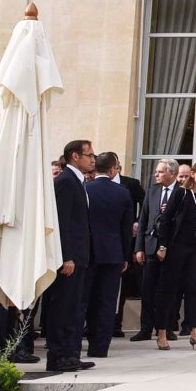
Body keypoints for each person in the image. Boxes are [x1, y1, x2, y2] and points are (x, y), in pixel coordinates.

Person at [46, 139, 94, 373]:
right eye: (89, 155)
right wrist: (66, 256)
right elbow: (62, 222)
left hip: (80, 254)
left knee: (74, 307)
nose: (93, 160)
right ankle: (58, 355)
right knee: (63, 307)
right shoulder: (65, 181)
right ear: (75, 156)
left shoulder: (78, 181)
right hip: (69, 257)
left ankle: (71, 353)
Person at [155, 162, 196, 348]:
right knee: (168, 289)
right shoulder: (181, 193)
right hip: (177, 246)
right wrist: (163, 246)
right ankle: (162, 331)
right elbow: (165, 220)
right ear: (193, 173)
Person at [82, 152, 133, 357]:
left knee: (84, 298)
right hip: (113, 253)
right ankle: (99, 347)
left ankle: (77, 342)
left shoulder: (85, 188)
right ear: (112, 169)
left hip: (88, 252)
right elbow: (126, 228)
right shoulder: (123, 193)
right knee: (106, 301)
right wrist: (125, 255)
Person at [128, 159, 179, 342]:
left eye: (160, 172)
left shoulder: (182, 192)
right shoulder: (152, 191)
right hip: (150, 245)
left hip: (172, 248)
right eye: (156, 171)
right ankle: (145, 328)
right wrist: (139, 248)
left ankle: (166, 328)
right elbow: (143, 220)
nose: (156, 175)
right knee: (147, 289)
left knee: (168, 290)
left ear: (172, 173)